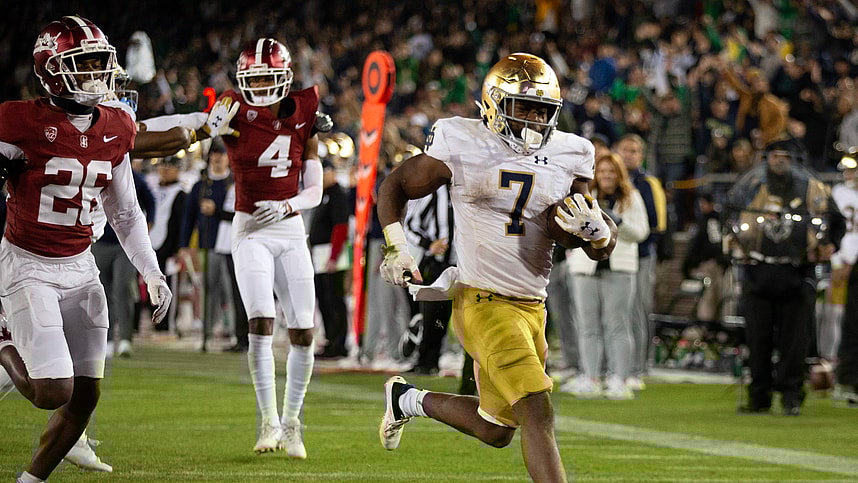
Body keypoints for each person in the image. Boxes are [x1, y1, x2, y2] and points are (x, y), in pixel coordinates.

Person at [376, 53, 616, 483]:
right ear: (492, 103)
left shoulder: (572, 151)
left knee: (495, 428)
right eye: (522, 107)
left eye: (542, 110)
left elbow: (580, 239)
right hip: (483, 300)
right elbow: (395, 184)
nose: (532, 119)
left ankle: (408, 400)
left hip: (532, 307)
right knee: (537, 408)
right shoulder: (461, 138)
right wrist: (397, 245)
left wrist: (599, 233)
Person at [0, 16, 171, 483]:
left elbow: (127, 213)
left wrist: (152, 272)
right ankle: (3, 342)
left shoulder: (116, 125)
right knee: (52, 390)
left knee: (86, 395)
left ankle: (30, 480)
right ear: (51, 70)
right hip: (29, 262)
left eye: (100, 63)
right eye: (84, 64)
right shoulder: (19, 121)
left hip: (80, 263)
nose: (96, 74)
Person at [215, 38, 323, 458]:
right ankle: (268, 420)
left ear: (283, 77)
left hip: (290, 228)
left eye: (266, 76)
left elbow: (314, 189)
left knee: (303, 329)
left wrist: (287, 204)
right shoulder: (233, 111)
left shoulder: (305, 113)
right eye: (253, 77)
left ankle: (293, 422)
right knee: (260, 320)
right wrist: (209, 124)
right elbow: (205, 126)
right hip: (250, 230)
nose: (259, 85)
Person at [725, 138, 845, 416]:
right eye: (774, 155)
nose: (779, 160)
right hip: (758, 271)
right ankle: (759, 397)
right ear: (766, 158)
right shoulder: (751, 186)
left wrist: (831, 245)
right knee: (758, 339)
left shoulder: (812, 188)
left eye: (785, 156)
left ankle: (791, 396)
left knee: (795, 342)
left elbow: (836, 220)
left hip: (797, 271)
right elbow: (729, 213)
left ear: (793, 159)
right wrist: (734, 244)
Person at [563, 153, 649, 400]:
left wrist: (619, 222)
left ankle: (619, 378)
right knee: (587, 325)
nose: (606, 176)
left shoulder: (631, 197)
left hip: (619, 268)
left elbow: (641, 232)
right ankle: (590, 376)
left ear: (619, 174)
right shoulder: (587, 197)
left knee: (617, 325)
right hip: (586, 267)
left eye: (611, 171)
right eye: (602, 171)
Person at [615, 134, 667, 391]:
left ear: (641, 155)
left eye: (634, 151)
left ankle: (639, 365)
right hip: (617, 256)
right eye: (625, 150)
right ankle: (618, 365)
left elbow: (656, 222)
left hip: (642, 254)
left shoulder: (647, 183)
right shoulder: (610, 180)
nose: (629, 155)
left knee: (638, 311)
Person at [309, 161, 350, 359]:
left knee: (334, 298)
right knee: (324, 299)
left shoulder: (337, 194)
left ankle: (339, 343)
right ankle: (330, 340)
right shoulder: (324, 194)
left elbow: (341, 227)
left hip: (331, 253)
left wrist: (334, 256)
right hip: (320, 254)